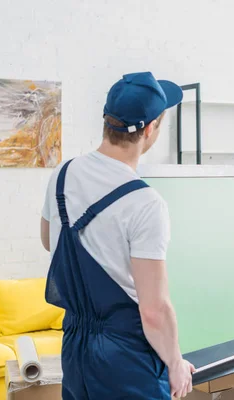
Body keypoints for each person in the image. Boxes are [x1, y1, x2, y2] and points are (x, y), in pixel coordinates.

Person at [40, 71, 195, 399]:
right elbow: (154, 311)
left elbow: (48, 240)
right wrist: (176, 361)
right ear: (151, 129)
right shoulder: (145, 202)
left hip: (75, 347)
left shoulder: (63, 174)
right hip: (125, 356)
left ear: (106, 121)